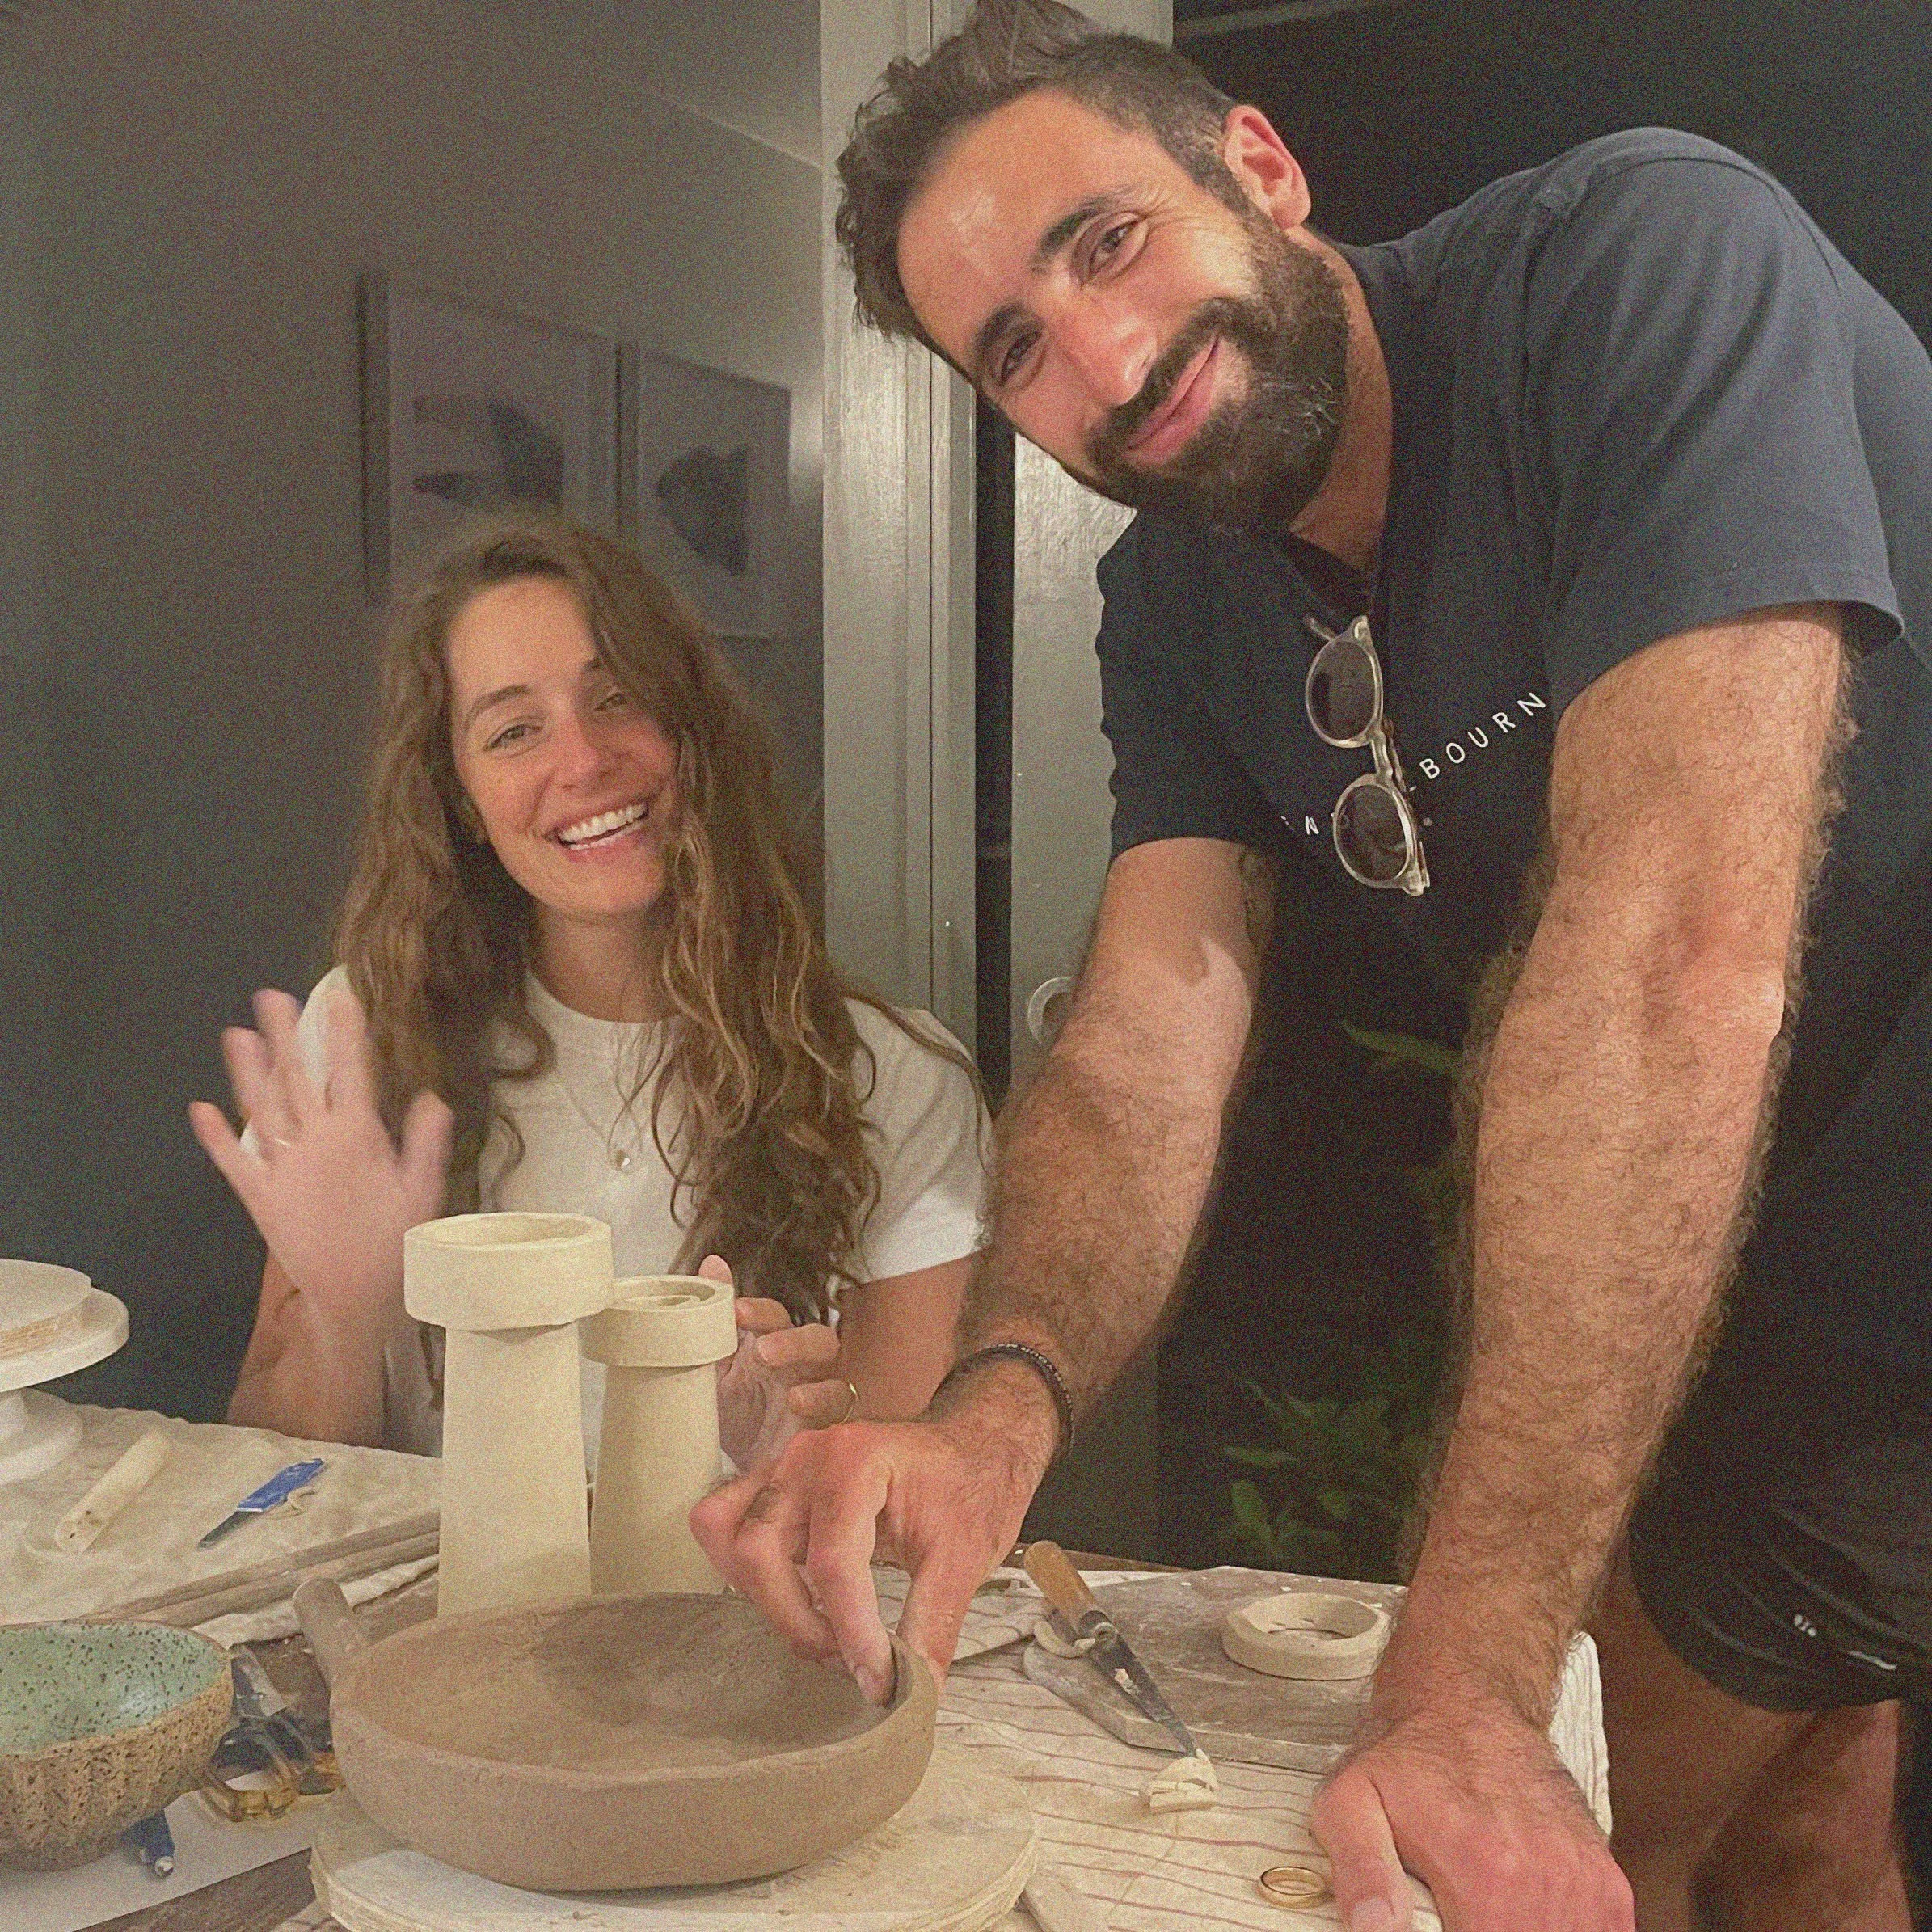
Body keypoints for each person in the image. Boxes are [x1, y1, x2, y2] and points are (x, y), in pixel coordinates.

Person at [690, 4, 1932, 1929]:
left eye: (1105, 240)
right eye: (1010, 349)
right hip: (1756, 1230)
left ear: (1258, 167)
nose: (1100, 359)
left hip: (1888, 1231)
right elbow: (1145, 1036)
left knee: (1602, 1816)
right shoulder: (1175, 598)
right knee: (1809, 1818)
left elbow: (1671, 958)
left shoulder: (1630, 271)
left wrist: (1465, 1679)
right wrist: (991, 1412)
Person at [192, 514, 988, 1472]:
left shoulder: (892, 1081)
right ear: (460, 800)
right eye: (514, 729)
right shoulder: (368, 1033)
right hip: (436, 1621)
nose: (581, 760)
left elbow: (912, 1510)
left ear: (692, 730)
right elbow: (275, 1482)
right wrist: (344, 1313)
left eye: (616, 698)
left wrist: (797, 1454)